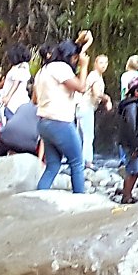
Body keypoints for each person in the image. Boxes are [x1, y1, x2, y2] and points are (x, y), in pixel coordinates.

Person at [33, 41, 88, 192]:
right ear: (71, 56)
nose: (76, 61)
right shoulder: (61, 68)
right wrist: (84, 66)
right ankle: (80, 200)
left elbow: (34, 100)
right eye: (75, 58)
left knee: (53, 165)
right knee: (77, 163)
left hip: (44, 123)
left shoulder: (42, 71)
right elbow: (82, 87)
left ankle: (39, 196)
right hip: (60, 122)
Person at [78, 47, 109, 170]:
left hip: (81, 107)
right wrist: (107, 99)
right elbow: (96, 93)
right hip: (87, 107)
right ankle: (87, 162)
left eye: (105, 63)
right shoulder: (95, 76)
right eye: (101, 62)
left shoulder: (94, 75)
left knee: (80, 136)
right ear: (95, 63)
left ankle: (78, 161)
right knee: (88, 136)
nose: (103, 65)